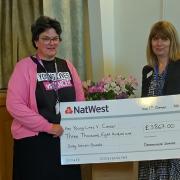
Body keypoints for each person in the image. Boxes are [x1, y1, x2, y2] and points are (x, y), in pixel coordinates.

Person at [6, 16, 85, 180]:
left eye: (55, 38)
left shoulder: (67, 65)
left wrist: (75, 126)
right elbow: (14, 105)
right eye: (46, 39)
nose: (51, 43)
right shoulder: (24, 67)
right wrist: (48, 127)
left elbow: (79, 100)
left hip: (65, 139)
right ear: (36, 41)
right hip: (35, 143)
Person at [138, 21, 180, 179]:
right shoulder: (147, 70)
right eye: (155, 39)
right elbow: (143, 104)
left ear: (172, 41)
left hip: (174, 140)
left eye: (164, 39)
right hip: (150, 141)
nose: (159, 43)